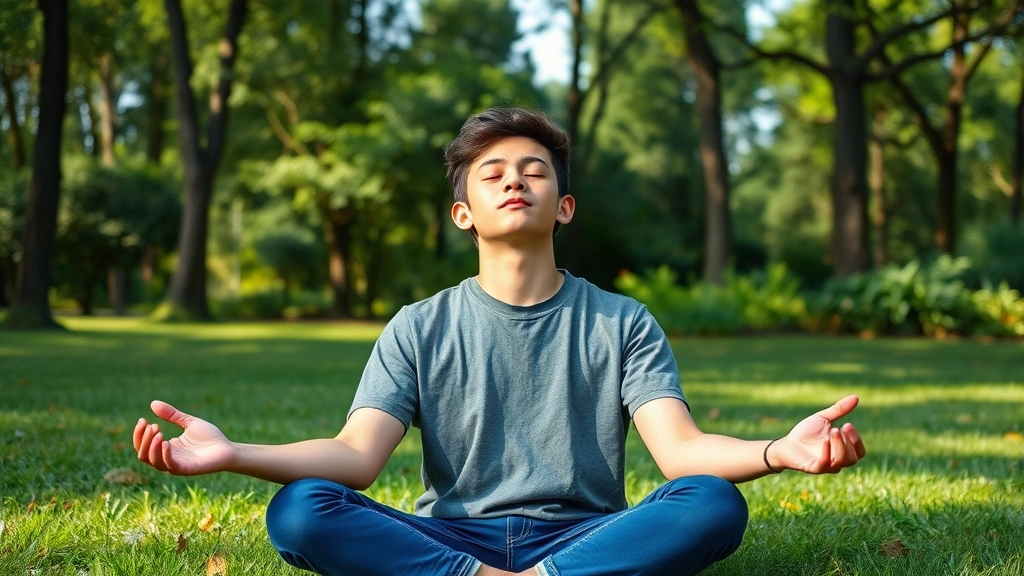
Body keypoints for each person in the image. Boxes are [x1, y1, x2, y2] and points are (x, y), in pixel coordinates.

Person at [133, 107, 866, 576]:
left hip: (585, 538)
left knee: (710, 503)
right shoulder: (418, 326)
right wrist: (234, 452)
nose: (515, 181)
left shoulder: (623, 321)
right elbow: (355, 459)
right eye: (493, 174)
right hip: (451, 541)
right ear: (464, 214)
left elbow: (681, 453)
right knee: (300, 510)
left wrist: (777, 451)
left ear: (564, 206)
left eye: (534, 171)